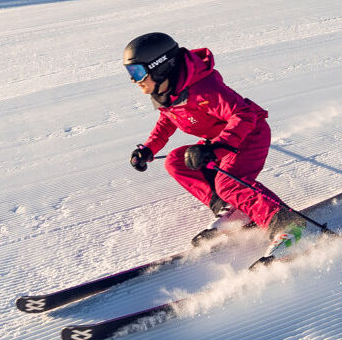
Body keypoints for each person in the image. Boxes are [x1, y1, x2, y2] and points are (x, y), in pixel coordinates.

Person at [121, 32, 312, 261]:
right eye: (130, 73)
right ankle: (235, 210)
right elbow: (167, 121)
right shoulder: (169, 91)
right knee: (176, 162)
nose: (134, 80)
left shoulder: (205, 89)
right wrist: (149, 148)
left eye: (137, 72)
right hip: (219, 141)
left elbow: (243, 114)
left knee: (229, 183)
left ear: (160, 67)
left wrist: (216, 148)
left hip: (249, 136)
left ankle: (287, 225)